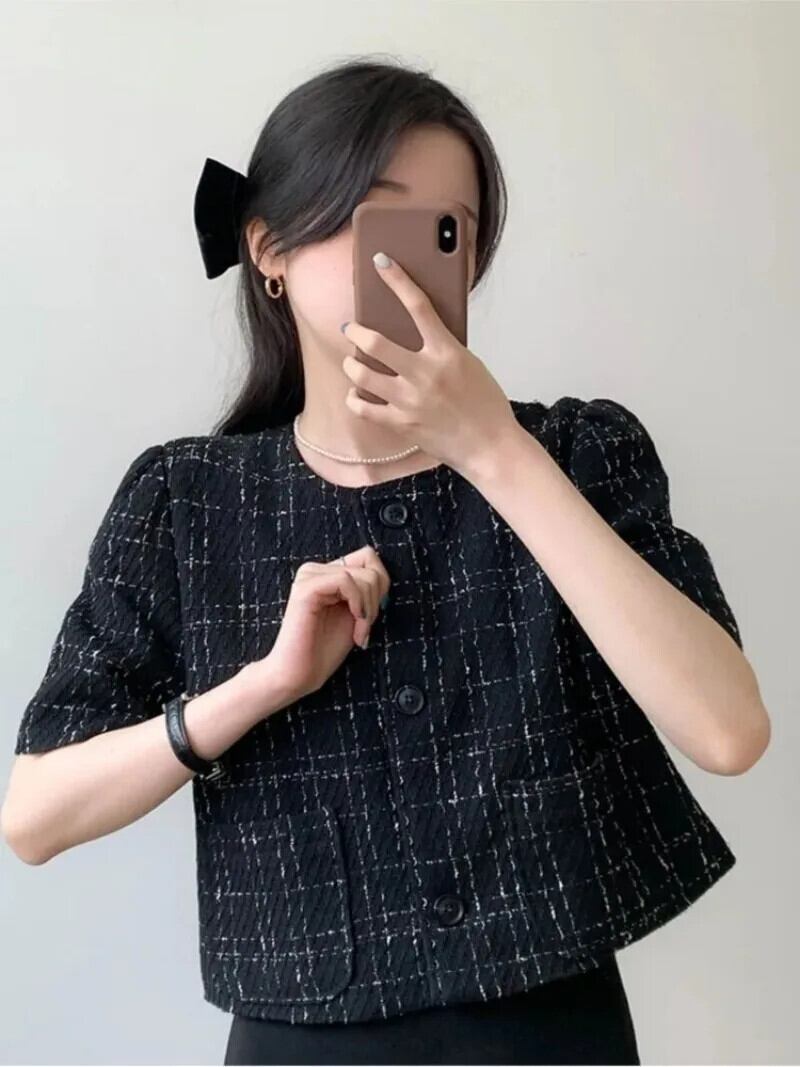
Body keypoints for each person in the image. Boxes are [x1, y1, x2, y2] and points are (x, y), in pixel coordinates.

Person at [4, 57, 768, 1066]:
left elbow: (728, 729)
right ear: (268, 248)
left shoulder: (577, 454)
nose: (413, 255)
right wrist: (260, 687)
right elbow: (34, 815)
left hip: (554, 1030)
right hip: (298, 1040)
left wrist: (494, 449)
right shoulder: (184, 503)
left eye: (450, 229)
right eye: (380, 214)